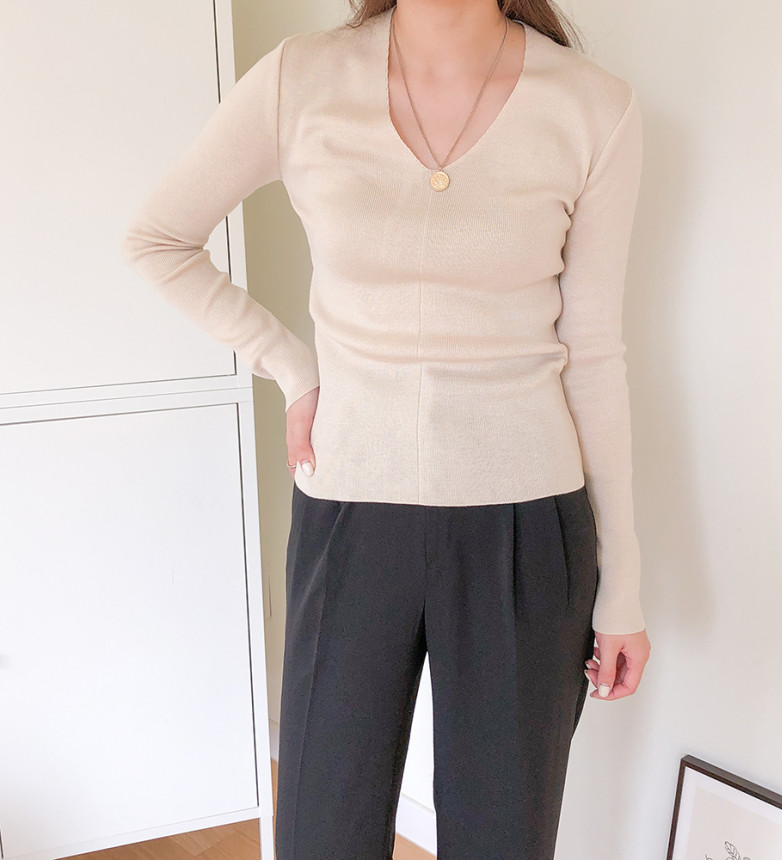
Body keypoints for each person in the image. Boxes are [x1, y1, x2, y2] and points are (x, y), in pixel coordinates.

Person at [121, 0, 652, 856]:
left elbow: (593, 353)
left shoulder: (594, 106)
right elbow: (157, 238)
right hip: (349, 514)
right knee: (321, 833)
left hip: (525, 527)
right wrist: (292, 368)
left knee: (504, 839)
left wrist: (622, 584)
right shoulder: (301, 79)